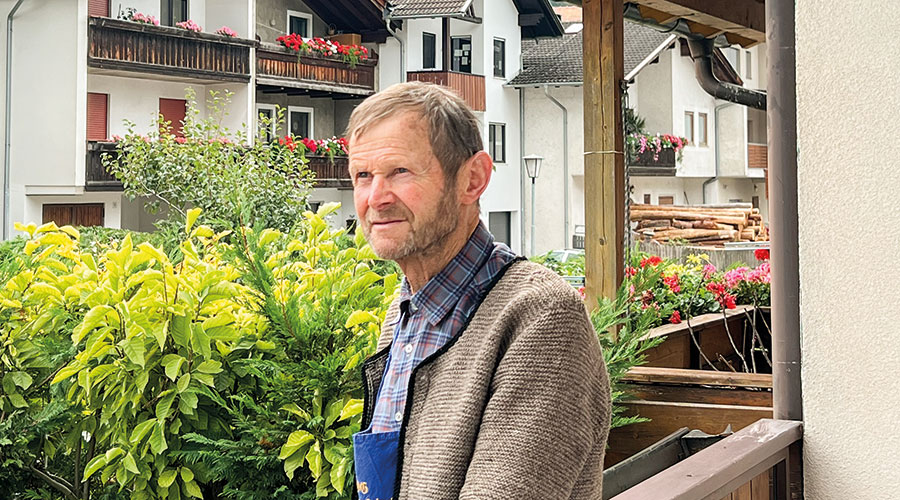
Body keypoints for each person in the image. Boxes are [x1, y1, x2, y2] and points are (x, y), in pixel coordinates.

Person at [346, 81, 610, 500]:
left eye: (400, 171)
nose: (375, 197)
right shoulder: (405, 312)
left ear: (473, 179)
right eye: (363, 176)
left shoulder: (542, 318)